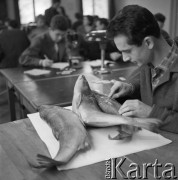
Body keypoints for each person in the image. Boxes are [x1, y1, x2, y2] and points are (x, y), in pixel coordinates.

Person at [107, 5, 178, 133]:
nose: (124, 58)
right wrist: (129, 86)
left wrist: (151, 113)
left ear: (148, 43)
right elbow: (143, 77)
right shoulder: (148, 60)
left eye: (127, 51)